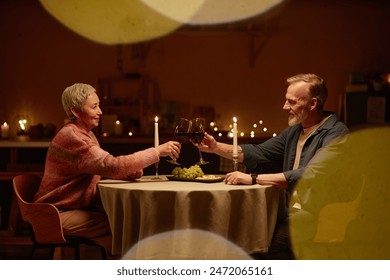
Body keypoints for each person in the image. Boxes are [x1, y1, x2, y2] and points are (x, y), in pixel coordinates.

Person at [197, 73, 349, 259]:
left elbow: (309, 175)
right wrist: (215, 147)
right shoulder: (295, 131)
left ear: (312, 104)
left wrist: (252, 178)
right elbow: (259, 152)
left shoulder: (337, 133)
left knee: (262, 245)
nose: (285, 107)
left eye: (291, 102)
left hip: (319, 218)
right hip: (289, 212)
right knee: (243, 232)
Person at [34, 83, 181, 256]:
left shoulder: (85, 133)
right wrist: (156, 152)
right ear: (75, 111)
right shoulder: (73, 137)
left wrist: (127, 171)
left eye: (99, 105)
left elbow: (104, 166)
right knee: (126, 226)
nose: (100, 112)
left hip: (70, 208)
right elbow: (112, 165)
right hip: (54, 214)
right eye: (94, 107)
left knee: (127, 226)